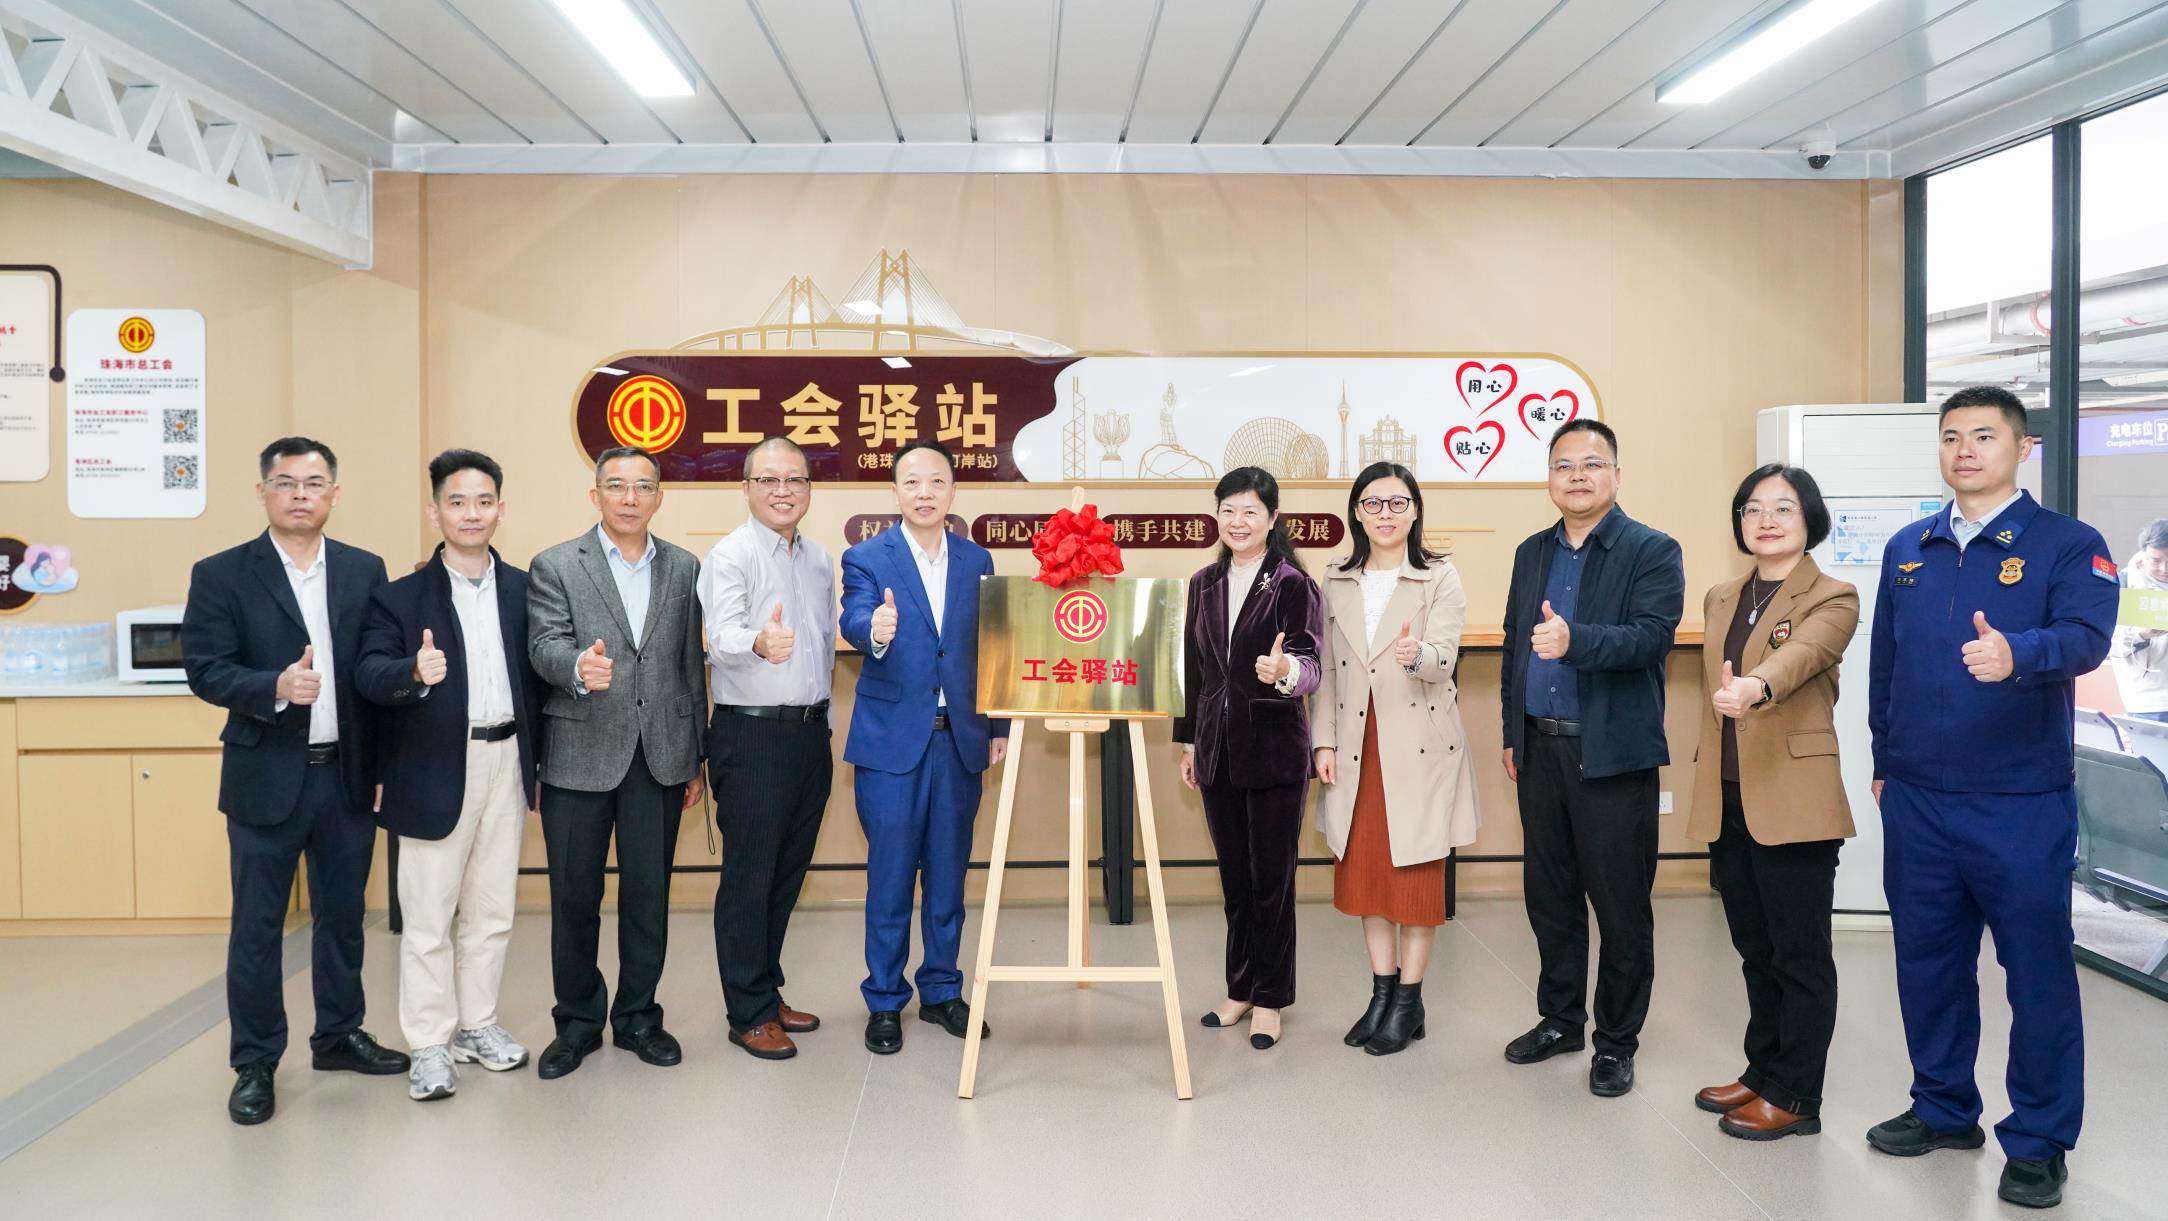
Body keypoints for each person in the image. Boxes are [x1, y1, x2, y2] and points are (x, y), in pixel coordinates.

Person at [1866, 386, 2117, 1209]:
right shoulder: (1909, 547)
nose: (1965, 449)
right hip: (1917, 798)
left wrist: (2020, 653)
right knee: (1928, 962)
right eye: (1951, 436)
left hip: (2018, 799)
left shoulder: (2068, 544)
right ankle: (1943, 1107)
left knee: (2035, 971)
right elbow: (1885, 665)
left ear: (2021, 448)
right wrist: (1885, 757)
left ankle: (2039, 1139)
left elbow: (2087, 637)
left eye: (1983, 435)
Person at [182, 436, 406, 1125]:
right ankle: (255, 1061)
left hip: (346, 774)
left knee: (344, 918)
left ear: (334, 493)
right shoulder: (222, 573)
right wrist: (273, 686)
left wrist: (382, 769)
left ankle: (338, 1034)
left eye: (313, 483)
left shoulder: (364, 568)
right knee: (257, 928)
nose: (300, 495)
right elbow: (204, 669)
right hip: (265, 777)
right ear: (262, 493)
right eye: (285, 483)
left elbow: (373, 672)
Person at [1497, 418, 1683, 1098]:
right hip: (1539, 749)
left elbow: (1650, 638)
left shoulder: (1652, 549)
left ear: (1616, 475)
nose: (1577, 476)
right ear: (1549, 478)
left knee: (1620, 905)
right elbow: (1515, 644)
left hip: (1612, 754)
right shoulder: (1531, 552)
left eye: (1592, 464)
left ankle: (1616, 1041)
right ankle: (1560, 1020)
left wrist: (1576, 640)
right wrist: (1512, 733)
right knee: (1549, 897)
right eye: (1564, 465)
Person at [354, 449, 543, 1101]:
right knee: (429, 917)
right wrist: (412, 671)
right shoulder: (399, 596)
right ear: (434, 510)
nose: (471, 513)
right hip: (433, 767)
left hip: (507, 761)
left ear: (500, 509)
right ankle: (430, 1043)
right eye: (457, 501)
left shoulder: (525, 589)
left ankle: (477, 1024)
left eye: (483, 501)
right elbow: (367, 673)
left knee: (491, 909)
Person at [1685, 464, 1858, 1140]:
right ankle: (1763, 1071)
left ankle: (1797, 1094)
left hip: (1794, 800)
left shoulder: (1833, 596)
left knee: (1800, 954)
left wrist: (1755, 686)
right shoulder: (1722, 596)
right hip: (1728, 794)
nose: (1766, 520)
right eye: (1753, 508)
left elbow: (1801, 657)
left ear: (1810, 518)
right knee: (1754, 947)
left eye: (1783, 508)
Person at [525, 445, 707, 1080]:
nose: (630, 498)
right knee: (575, 897)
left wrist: (695, 757)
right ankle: (577, 1023)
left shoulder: (683, 567)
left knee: (648, 895)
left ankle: (638, 1018)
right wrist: (577, 666)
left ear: (659, 497)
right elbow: (543, 643)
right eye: (617, 485)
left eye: (643, 486)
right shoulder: (555, 564)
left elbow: (689, 665)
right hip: (578, 754)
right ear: (595, 494)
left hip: (659, 756)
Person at [838, 439, 1007, 1055]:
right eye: (912, 482)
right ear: (895, 493)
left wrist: (998, 728)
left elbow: (992, 648)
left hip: (958, 742)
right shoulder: (866, 557)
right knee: (889, 878)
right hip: (891, 745)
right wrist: (874, 630)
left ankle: (941, 991)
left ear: (953, 490)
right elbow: (855, 617)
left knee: (947, 876)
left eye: (936, 481)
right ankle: (885, 999)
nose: (925, 493)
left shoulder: (976, 559)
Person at [1311, 463, 1479, 1056]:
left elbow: (1445, 656)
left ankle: (1409, 1002)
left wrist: (1418, 655)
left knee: (1414, 881)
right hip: (1356, 747)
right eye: (1373, 503)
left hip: (1417, 747)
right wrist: (1323, 741)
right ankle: (1381, 995)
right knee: (1366, 877)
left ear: (1415, 510)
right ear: (1357, 512)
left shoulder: (1439, 575)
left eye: (1398, 502)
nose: (1386, 514)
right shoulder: (1336, 578)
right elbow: (1326, 670)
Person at [1173, 466, 1323, 1051]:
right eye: (1228, 510)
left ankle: (1270, 999)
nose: (1238, 522)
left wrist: (1286, 671)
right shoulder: (1203, 582)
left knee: (1271, 882)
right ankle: (1239, 989)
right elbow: (1192, 671)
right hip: (1216, 751)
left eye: (1250, 511)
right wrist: (1190, 743)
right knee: (1235, 880)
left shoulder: (1291, 583)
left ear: (1272, 518)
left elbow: (1310, 665)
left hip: (1275, 751)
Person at [697, 437, 836, 1061]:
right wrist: (757, 642)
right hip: (751, 736)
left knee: (786, 873)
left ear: (809, 488)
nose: (784, 491)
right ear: (746, 488)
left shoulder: (819, 559)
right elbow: (720, 634)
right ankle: (747, 1012)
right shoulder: (731, 555)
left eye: (796, 480)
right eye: (769, 479)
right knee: (750, 878)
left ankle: (766, 989)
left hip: (809, 734)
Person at [2106, 518, 2168, 722]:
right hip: (2150, 701)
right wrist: (2141, 634)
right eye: (2156, 561)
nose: (2164, 568)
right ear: (2143, 553)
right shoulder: (2123, 585)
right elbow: (2107, 644)